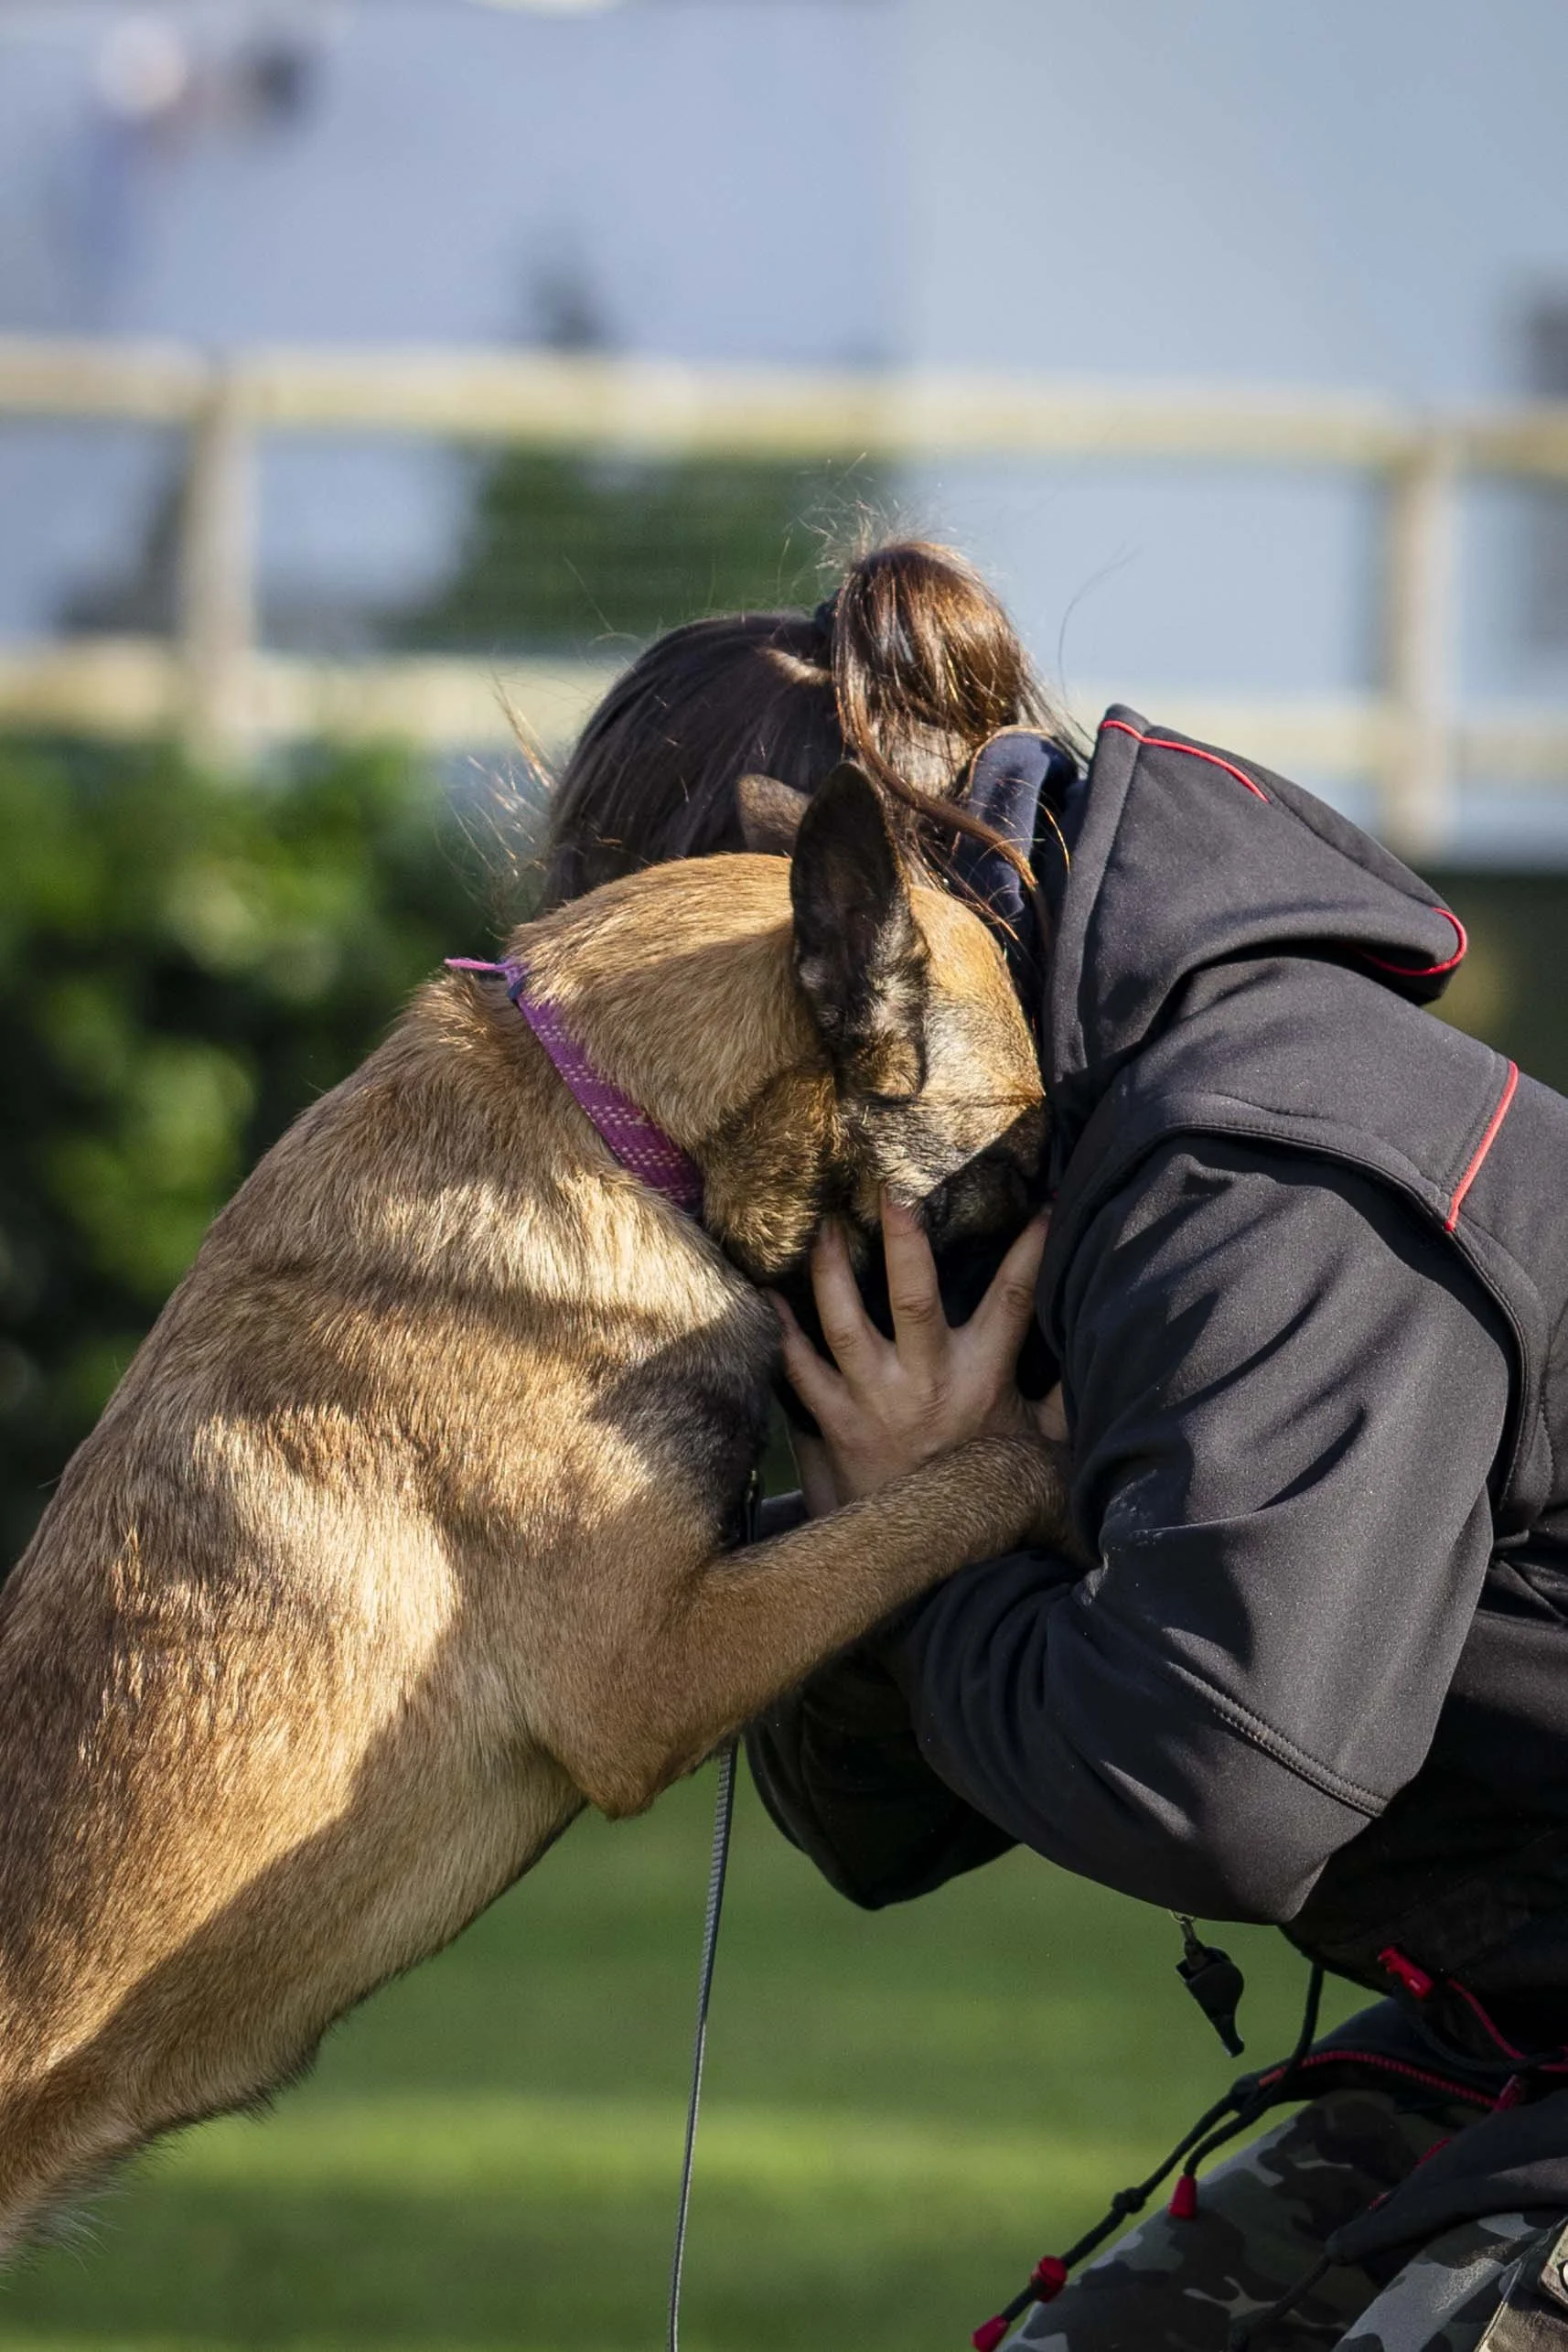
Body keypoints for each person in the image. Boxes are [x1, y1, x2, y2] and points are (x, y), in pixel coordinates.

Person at [541, 540, 1568, 2352]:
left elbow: (1222, 1779)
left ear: (841, 964)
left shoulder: (1264, 1156)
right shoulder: (1000, 1163)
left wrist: (938, 1527)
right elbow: (877, 1835)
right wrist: (905, 1525)